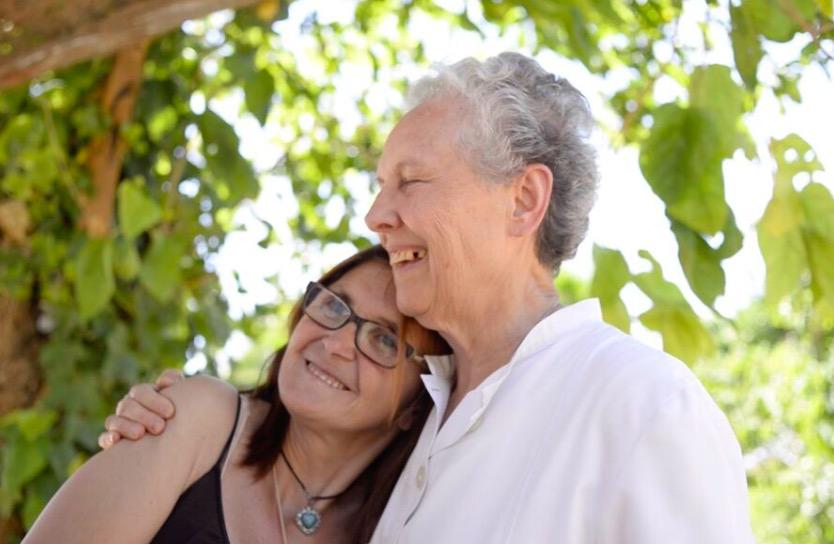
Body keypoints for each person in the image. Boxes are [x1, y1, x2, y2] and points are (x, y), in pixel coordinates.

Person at [101, 53, 755, 542]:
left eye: (410, 182)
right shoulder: (413, 423)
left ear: (523, 200)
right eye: (381, 184)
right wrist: (172, 422)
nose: (376, 216)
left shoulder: (642, 403)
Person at [24, 245, 450, 544]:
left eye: (384, 340)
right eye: (335, 306)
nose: (336, 343)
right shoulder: (202, 417)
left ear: (417, 404)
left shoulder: (398, 529)